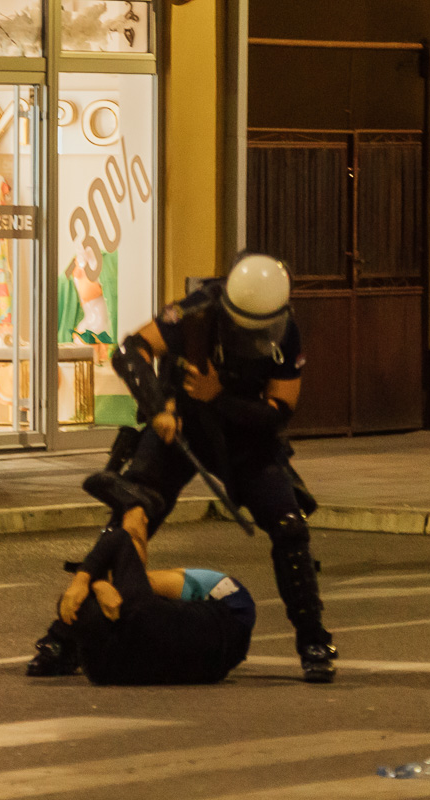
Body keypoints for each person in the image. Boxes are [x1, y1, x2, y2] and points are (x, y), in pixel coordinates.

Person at [79, 253, 337, 683]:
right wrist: (157, 406)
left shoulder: (286, 331)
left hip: (244, 437)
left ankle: (313, 639)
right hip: (179, 431)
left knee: (290, 526)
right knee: (132, 516)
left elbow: (278, 412)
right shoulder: (194, 312)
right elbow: (131, 351)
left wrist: (219, 397)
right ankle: (69, 635)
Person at [26, 513, 256, 684]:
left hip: (218, 662)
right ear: (114, 608)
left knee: (144, 595)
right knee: (141, 572)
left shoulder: (100, 673)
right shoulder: (138, 609)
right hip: (233, 610)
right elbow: (121, 538)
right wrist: (89, 581)